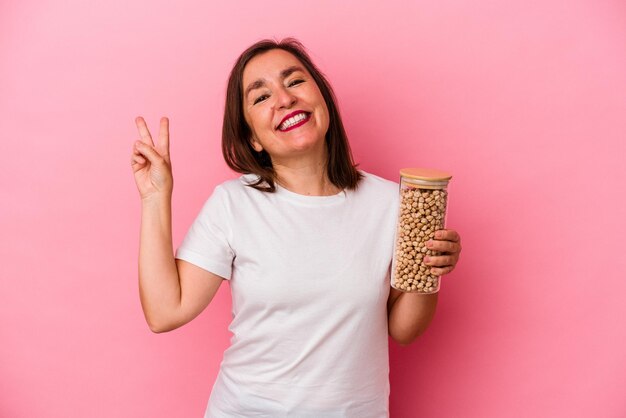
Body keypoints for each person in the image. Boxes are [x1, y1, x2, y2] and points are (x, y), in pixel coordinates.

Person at [130, 38, 462, 418]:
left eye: (295, 81)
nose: (284, 99)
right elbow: (165, 311)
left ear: (323, 100)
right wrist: (155, 198)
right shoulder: (233, 204)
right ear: (252, 138)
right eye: (260, 97)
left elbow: (403, 330)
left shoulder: (392, 204)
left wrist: (429, 271)